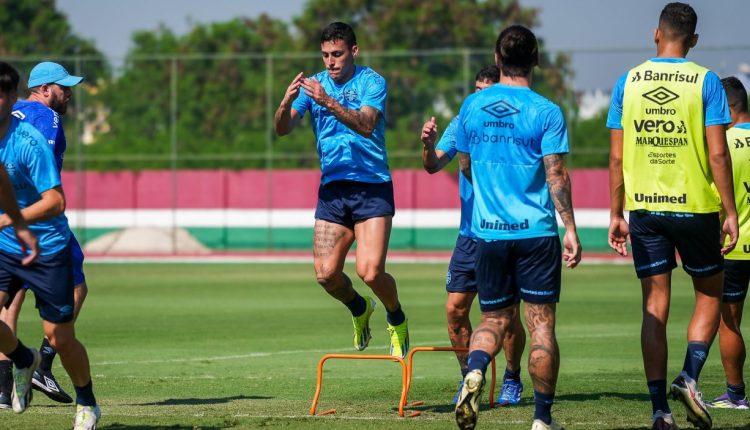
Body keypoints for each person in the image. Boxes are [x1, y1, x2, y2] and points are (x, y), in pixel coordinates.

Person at [606, 3, 737, 430]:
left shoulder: (628, 81)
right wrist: (730, 211)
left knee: (654, 305)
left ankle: (659, 410)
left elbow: (615, 156)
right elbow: (718, 151)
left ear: (655, 33)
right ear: (693, 40)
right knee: (711, 295)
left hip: (644, 207)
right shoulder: (706, 82)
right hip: (695, 207)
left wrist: (615, 212)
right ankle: (690, 376)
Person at [452, 25, 581, 430]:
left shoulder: (472, 107)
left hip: (488, 234)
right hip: (536, 235)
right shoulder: (545, 111)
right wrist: (571, 228)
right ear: (536, 59)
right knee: (540, 325)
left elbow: (465, 164)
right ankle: (542, 419)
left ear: (496, 58)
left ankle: (474, 372)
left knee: (492, 321)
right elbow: (556, 174)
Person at [274, 22, 409, 358]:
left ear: (354, 51)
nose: (330, 61)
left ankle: (397, 318)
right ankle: (360, 308)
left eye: (337, 54)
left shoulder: (371, 81)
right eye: (325, 55)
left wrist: (328, 101)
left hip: (371, 187)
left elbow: (366, 125)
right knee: (326, 274)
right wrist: (284, 103)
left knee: (370, 271)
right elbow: (283, 128)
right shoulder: (313, 86)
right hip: (333, 190)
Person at [0, 61, 100, 429]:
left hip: (46, 239)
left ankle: (86, 400)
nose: (69, 93)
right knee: (77, 289)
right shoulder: (48, 121)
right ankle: (28, 361)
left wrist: (11, 217)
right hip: (7, 241)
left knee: (59, 334)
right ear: (43, 89)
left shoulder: (31, 136)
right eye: (64, 87)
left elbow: (53, 199)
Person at [421, 65, 526, 406]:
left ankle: (512, 378)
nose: (480, 95)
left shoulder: (511, 124)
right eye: (476, 88)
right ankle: (470, 378)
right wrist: (429, 145)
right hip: (469, 236)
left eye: (487, 89)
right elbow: (433, 164)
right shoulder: (463, 121)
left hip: (505, 232)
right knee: (454, 311)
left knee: (507, 317)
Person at [705, 76, 750, 410]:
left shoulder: (721, 146)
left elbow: (712, 200)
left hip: (735, 246)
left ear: (726, 106)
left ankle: (735, 395)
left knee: (729, 322)